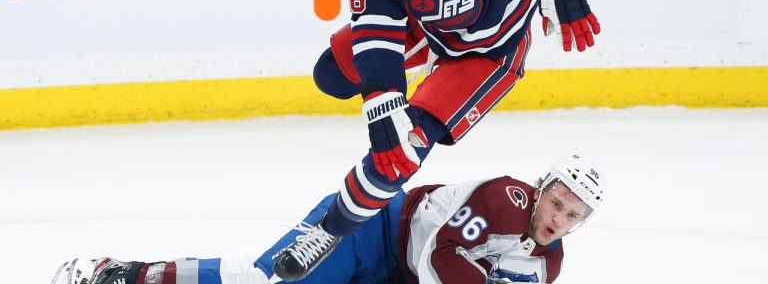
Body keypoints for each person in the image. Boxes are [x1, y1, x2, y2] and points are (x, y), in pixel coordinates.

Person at [278, 0, 602, 280]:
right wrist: (381, 97)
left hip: (488, 51)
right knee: (332, 75)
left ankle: (331, 230)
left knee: (401, 152)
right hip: (426, 23)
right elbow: (376, 29)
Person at [51, 155, 605, 284]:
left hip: (395, 271)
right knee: (269, 279)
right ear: (540, 190)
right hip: (368, 230)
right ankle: (127, 274)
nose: (558, 219)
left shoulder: (547, 264)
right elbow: (434, 256)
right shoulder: (503, 199)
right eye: (557, 202)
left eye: (572, 216)